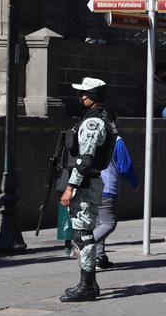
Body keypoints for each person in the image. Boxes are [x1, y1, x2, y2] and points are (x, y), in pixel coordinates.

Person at [59, 77, 116, 302]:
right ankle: (89, 284)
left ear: (93, 97)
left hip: (85, 183)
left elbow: (85, 160)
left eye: (85, 93)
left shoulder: (94, 123)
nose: (81, 97)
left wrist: (70, 187)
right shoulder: (97, 118)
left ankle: (87, 286)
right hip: (88, 181)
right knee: (82, 233)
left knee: (83, 235)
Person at [94, 113, 138, 269]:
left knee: (99, 222)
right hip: (107, 188)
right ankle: (85, 244)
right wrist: (134, 182)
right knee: (109, 223)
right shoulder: (116, 141)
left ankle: (99, 258)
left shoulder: (93, 139)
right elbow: (125, 166)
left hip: (92, 188)